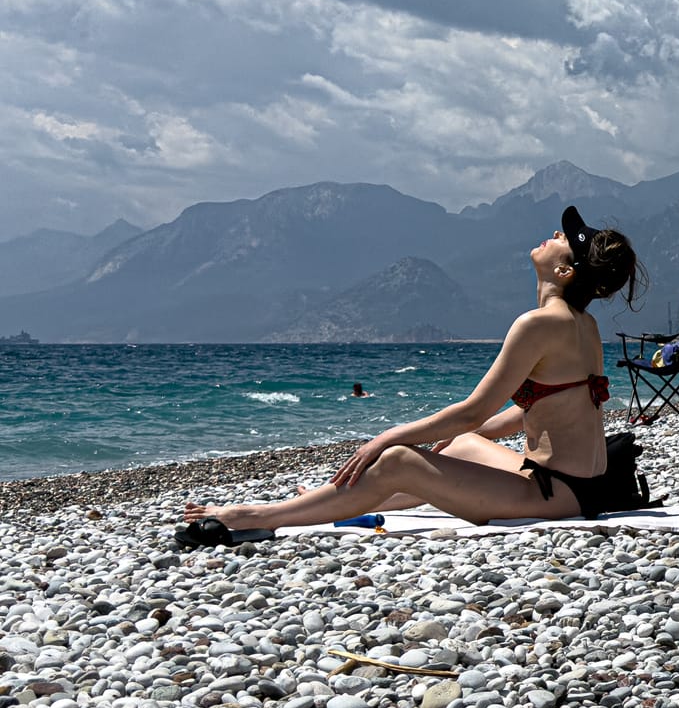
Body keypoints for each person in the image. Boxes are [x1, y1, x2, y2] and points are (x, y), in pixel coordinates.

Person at [182, 206, 649, 535]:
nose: (552, 235)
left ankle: (258, 516)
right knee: (461, 445)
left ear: (565, 272)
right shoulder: (584, 325)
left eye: (562, 239)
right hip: (583, 487)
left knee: (400, 460)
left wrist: (389, 437)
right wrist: (456, 438)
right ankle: (351, 500)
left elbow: (471, 410)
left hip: (556, 499)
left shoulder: (539, 324)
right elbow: (548, 410)